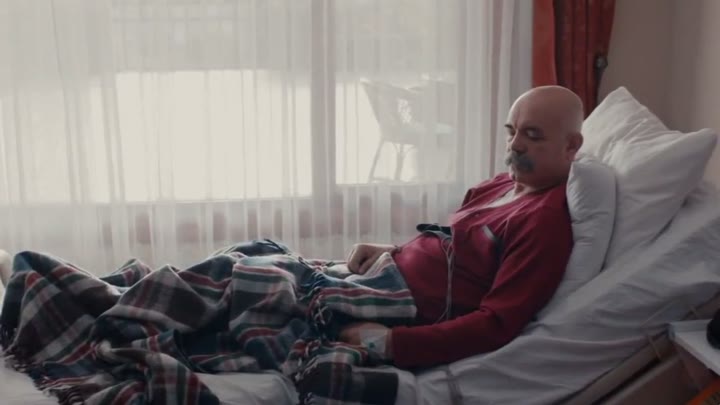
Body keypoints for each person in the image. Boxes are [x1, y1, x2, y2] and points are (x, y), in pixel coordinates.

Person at [338, 85, 584, 369]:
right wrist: (394, 251)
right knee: (290, 268)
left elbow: (496, 324)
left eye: (532, 135)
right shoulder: (500, 185)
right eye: (511, 132)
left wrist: (389, 343)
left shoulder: (543, 222)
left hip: (400, 302)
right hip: (384, 274)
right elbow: (455, 247)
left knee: (290, 289)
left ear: (571, 146)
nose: (514, 145)